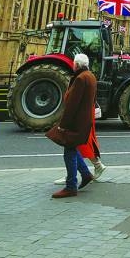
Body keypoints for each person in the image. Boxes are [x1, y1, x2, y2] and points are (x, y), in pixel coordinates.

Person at [51, 53, 99, 198]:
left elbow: (72, 104)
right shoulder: (90, 76)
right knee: (71, 148)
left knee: (69, 152)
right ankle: (85, 174)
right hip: (84, 120)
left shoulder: (79, 78)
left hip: (75, 122)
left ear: (76, 65)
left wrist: (63, 125)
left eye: (73, 63)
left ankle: (71, 186)